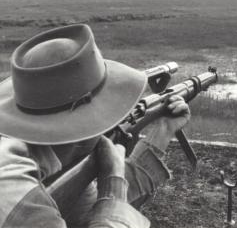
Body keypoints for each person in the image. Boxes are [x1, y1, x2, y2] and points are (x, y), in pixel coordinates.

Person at [0, 24, 190, 228]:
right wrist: (113, 185)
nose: (113, 121)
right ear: (81, 131)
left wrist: (163, 131)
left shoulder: (40, 161)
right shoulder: (13, 192)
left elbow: (93, 212)